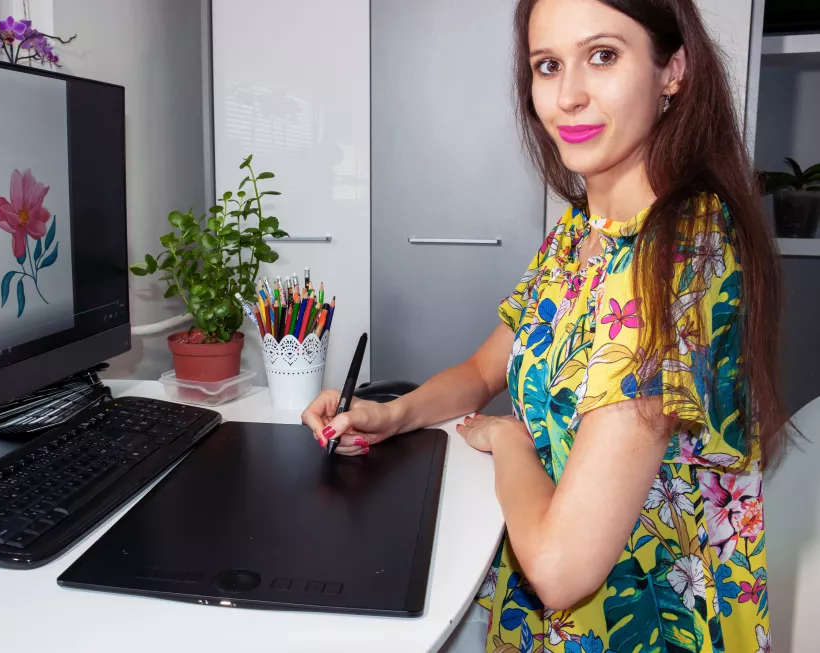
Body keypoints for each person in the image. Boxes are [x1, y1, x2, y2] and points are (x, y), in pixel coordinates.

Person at [302, 0, 791, 650]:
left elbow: (562, 566)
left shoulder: (675, 249)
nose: (568, 96)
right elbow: (483, 370)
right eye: (547, 65)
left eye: (603, 56)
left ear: (673, 68)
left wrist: (511, 443)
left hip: (650, 628)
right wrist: (391, 413)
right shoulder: (578, 234)